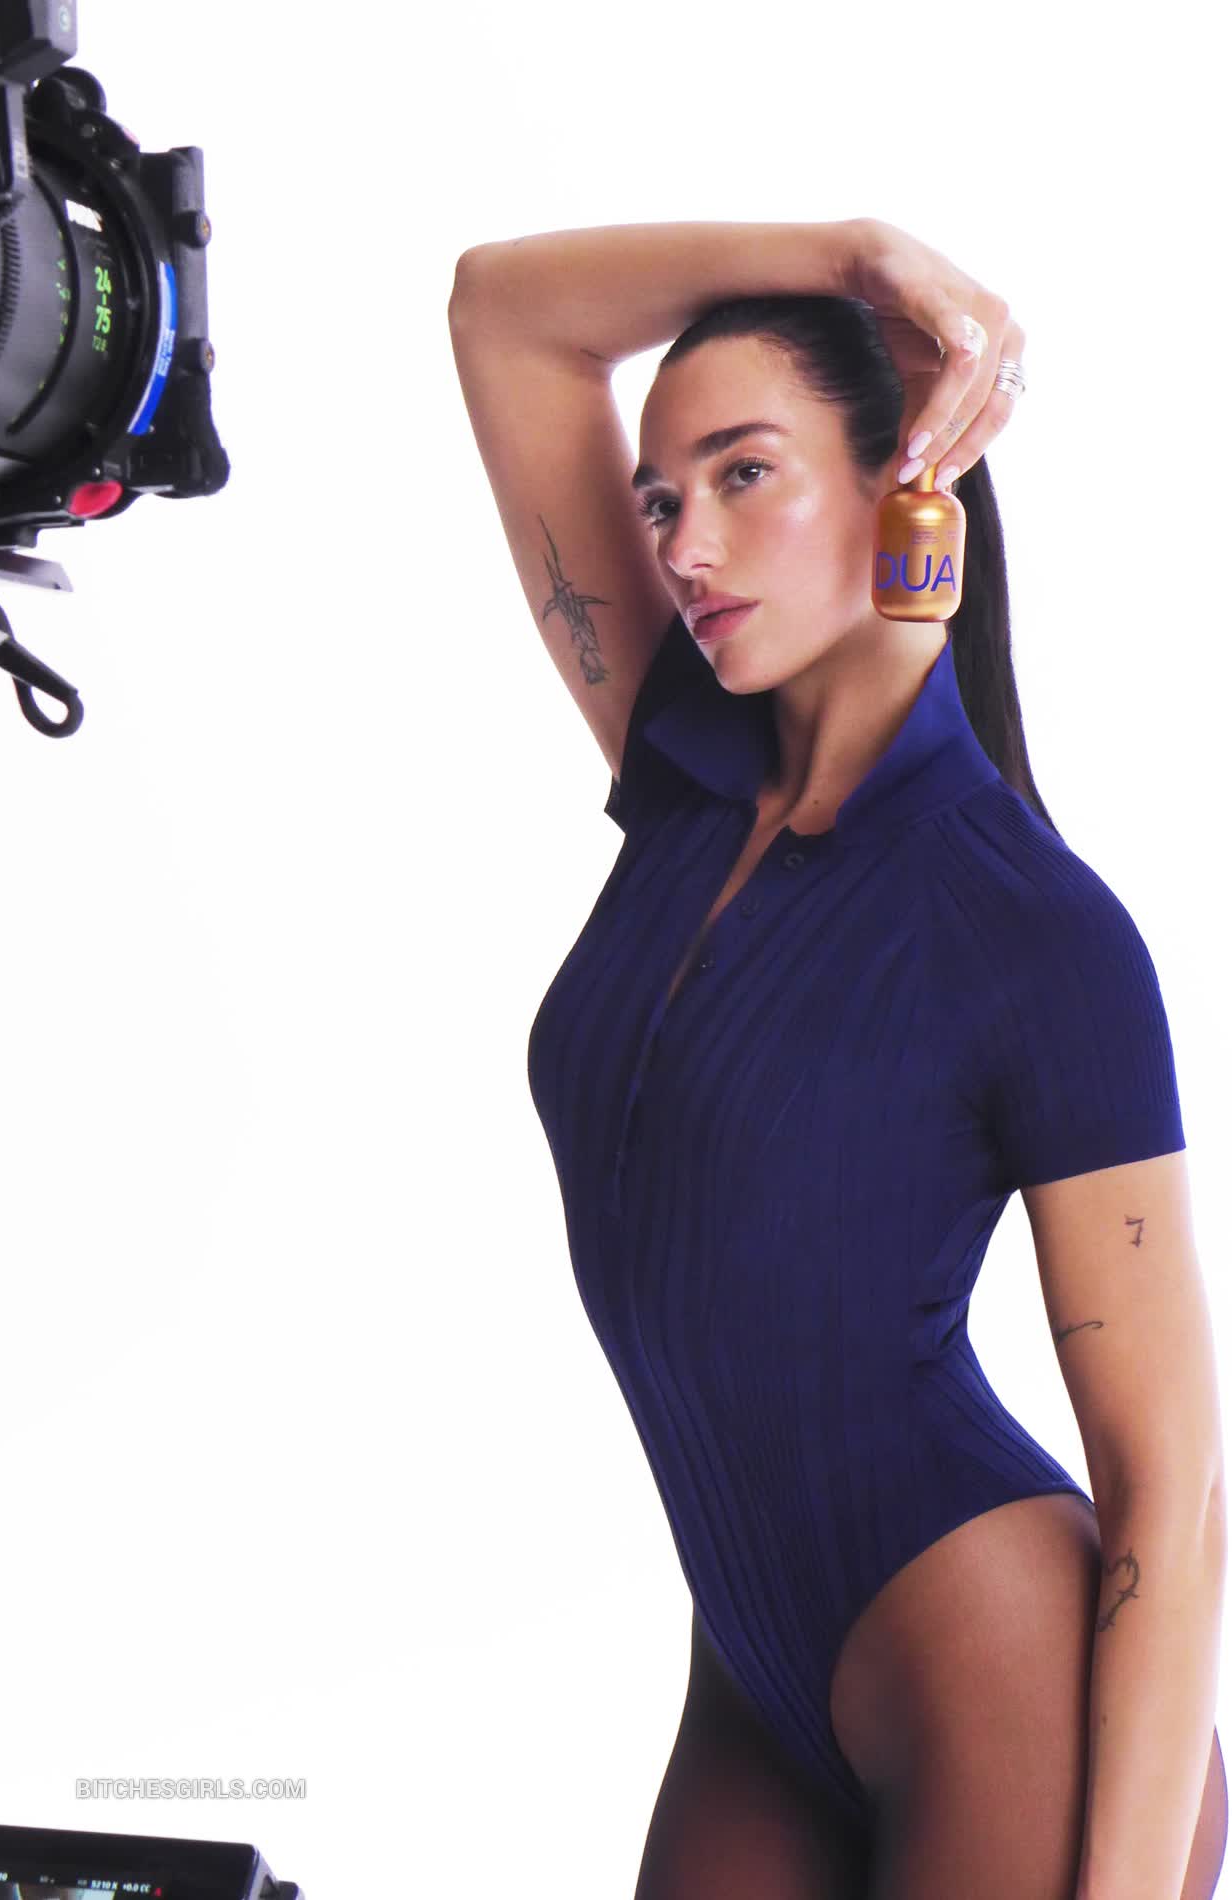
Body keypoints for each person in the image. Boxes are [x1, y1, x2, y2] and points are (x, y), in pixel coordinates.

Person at [448, 218, 1228, 1899]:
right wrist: (857, 256)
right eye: (661, 499)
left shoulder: (1036, 930)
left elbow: (1170, 1484)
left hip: (1001, 1679)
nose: (683, 543)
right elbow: (502, 312)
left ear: (913, 481)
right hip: (748, 1669)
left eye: (746, 474)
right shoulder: (680, 763)